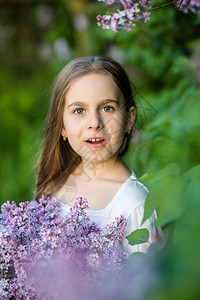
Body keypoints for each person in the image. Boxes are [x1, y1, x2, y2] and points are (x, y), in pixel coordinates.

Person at [35, 55, 156, 254]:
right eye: (79, 110)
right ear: (62, 126)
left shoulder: (136, 202)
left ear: (129, 119)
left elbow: (147, 282)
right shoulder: (55, 183)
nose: (94, 122)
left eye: (107, 108)